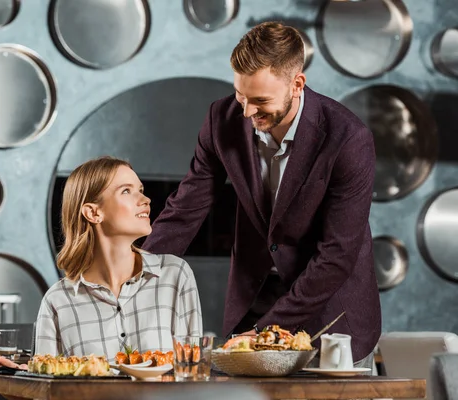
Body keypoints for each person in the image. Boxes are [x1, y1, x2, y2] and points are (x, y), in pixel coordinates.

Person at [142, 22, 381, 368]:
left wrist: (267, 330)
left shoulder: (348, 139)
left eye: (260, 101)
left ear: (297, 84)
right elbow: (187, 206)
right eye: (241, 96)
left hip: (331, 315)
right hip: (253, 299)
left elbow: (337, 255)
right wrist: (135, 270)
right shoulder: (221, 120)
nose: (247, 113)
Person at [32, 156, 203, 360]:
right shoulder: (58, 301)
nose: (145, 200)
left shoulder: (175, 275)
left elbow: (193, 372)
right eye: (126, 191)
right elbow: (44, 384)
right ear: (93, 212)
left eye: (140, 190)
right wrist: (10, 379)